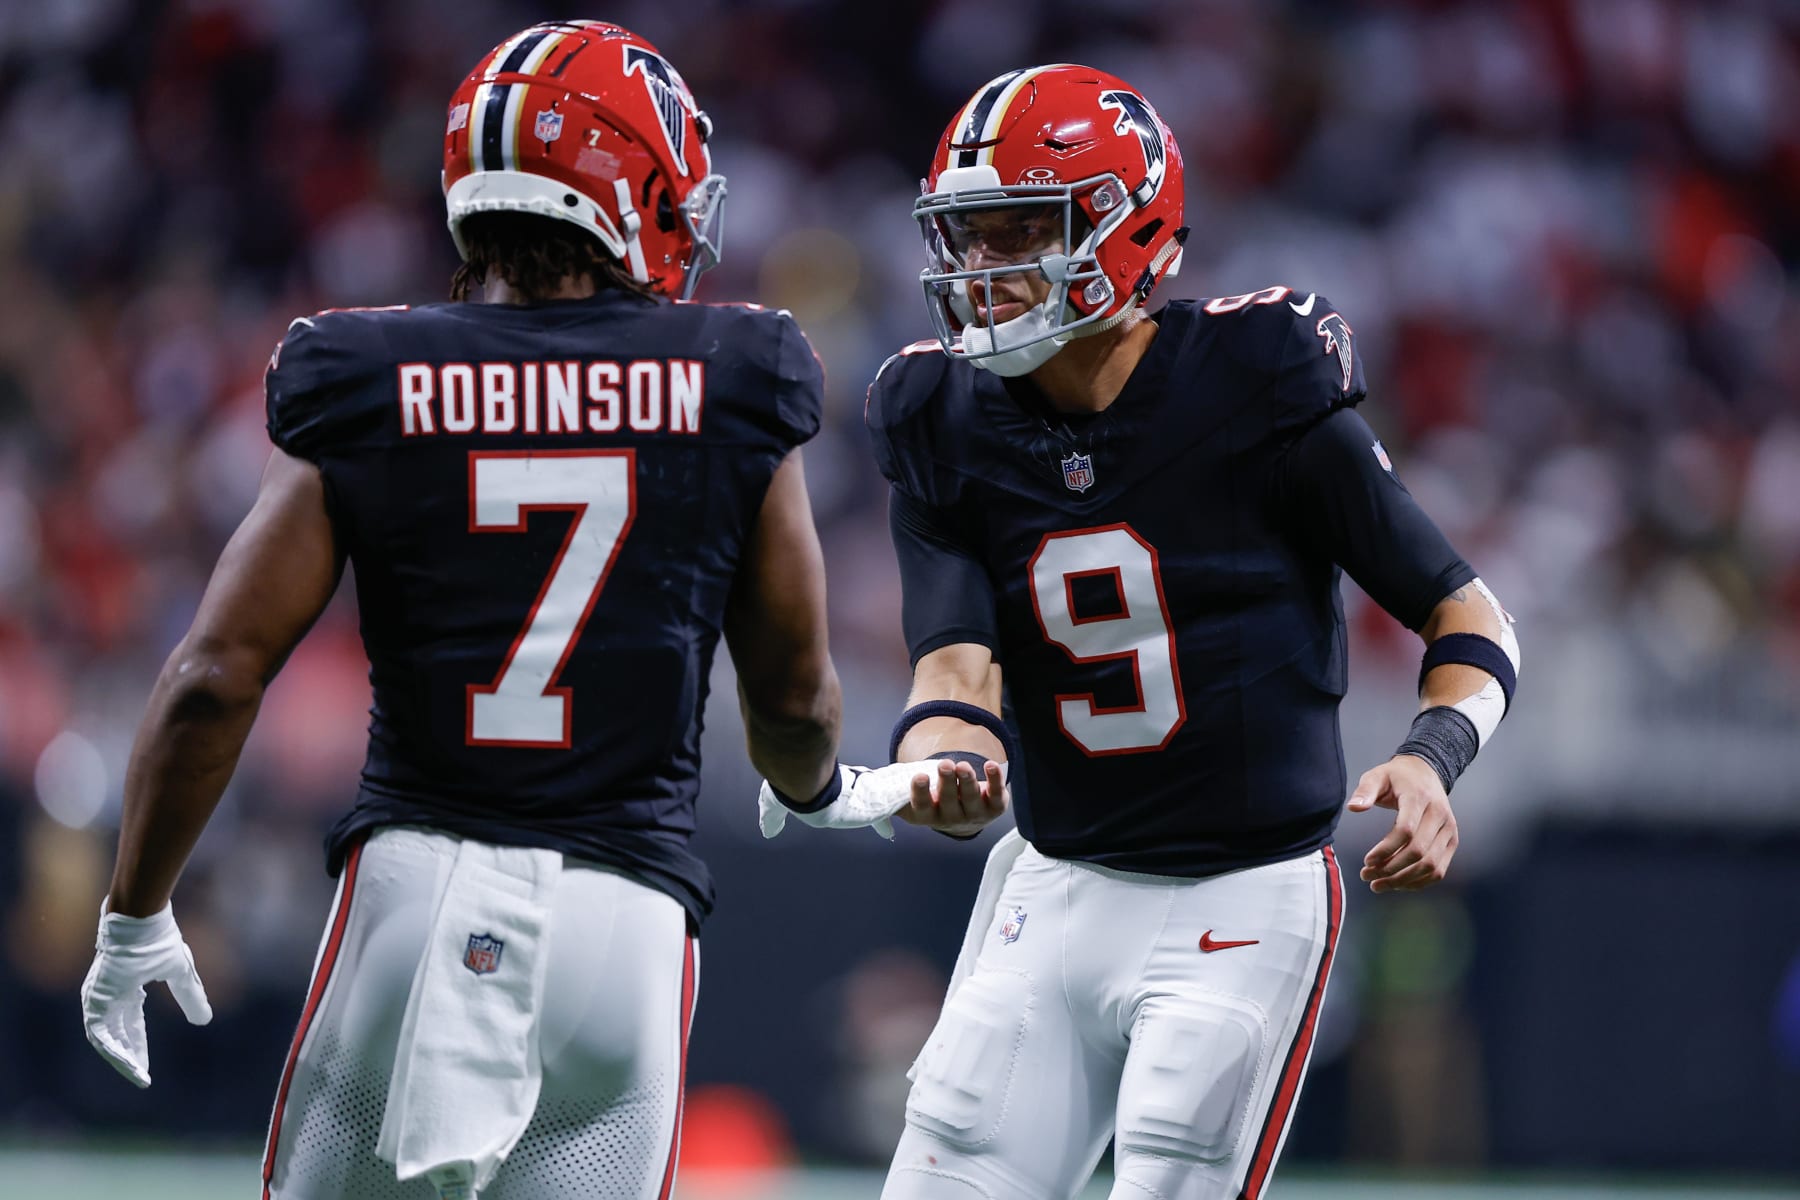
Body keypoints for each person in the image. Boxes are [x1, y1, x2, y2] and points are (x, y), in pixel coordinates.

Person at [77, 21, 889, 1200]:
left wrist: (132, 913)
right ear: (628, 188)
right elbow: (799, 703)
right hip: (632, 931)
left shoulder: (368, 372)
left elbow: (213, 677)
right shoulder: (737, 370)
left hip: (421, 898)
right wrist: (816, 790)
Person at [858, 65, 1523, 1200]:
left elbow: (1469, 615)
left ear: (1128, 228)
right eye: (967, 238)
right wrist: (938, 761)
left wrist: (1430, 757)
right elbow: (953, 664)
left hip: (1243, 890)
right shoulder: (940, 416)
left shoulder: (1259, 377)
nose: (983, 271)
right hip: (1055, 885)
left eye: (1021, 230)